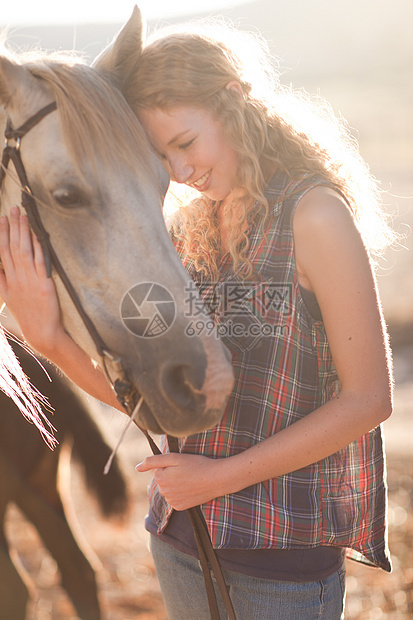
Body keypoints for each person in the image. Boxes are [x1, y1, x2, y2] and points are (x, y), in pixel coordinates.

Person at [0, 17, 394, 620]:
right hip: (181, 543)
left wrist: (220, 478)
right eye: (162, 156)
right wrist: (48, 336)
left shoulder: (315, 217)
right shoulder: (191, 229)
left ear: (233, 101)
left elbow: (369, 400)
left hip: (281, 561)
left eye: (184, 143)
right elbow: (151, 399)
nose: (180, 172)